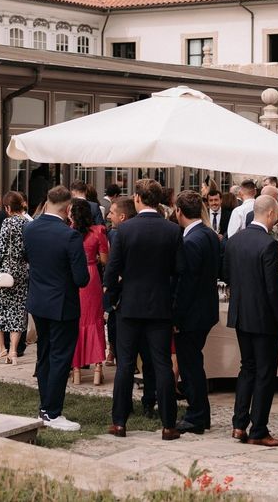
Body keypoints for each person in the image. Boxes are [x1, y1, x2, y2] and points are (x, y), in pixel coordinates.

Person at [103, 178, 183, 440]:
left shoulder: (124, 231)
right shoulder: (172, 231)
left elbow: (112, 270)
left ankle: (119, 422)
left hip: (130, 305)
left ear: (137, 198)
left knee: (125, 365)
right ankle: (169, 424)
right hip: (159, 306)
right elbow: (179, 271)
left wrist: (113, 300)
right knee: (161, 364)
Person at [223, 195, 278, 446]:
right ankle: (258, 429)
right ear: (271, 213)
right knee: (264, 373)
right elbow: (274, 289)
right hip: (263, 319)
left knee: (247, 368)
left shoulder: (235, 240)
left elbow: (227, 275)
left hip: (241, 314)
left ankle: (239, 425)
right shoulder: (268, 244)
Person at [23, 185, 88, 432]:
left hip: (39, 301)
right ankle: (52, 412)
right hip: (62, 303)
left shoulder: (30, 229)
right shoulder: (69, 235)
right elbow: (81, 278)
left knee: (45, 354)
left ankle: (45, 407)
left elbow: (28, 258)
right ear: (68, 208)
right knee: (60, 357)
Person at [172, 190, 220, 434]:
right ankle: (201, 413)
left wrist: (177, 317)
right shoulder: (209, 235)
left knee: (190, 366)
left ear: (179, 211)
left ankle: (197, 415)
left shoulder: (191, 240)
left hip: (192, 314)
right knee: (193, 363)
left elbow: (186, 284)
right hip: (206, 309)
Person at [0, 191, 30, 366]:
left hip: (4, 272)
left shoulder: (8, 223)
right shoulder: (28, 223)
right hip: (21, 272)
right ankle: (13, 352)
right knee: (18, 311)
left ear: (8, 208)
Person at [69, 198, 109, 386]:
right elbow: (104, 260)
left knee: (76, 322)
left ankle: (76, 370)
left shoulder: (69, 233)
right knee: (95, 321)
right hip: (92, 276)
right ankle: (98, 368)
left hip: (74, 277)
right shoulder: (98, 231)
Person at [104, 196, 135, 366]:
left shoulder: (119, 234)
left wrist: (110, 289)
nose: (108, 216)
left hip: (126, 297)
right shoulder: (114, 232)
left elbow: (112, 266)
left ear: (122, 217)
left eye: (112, 213)